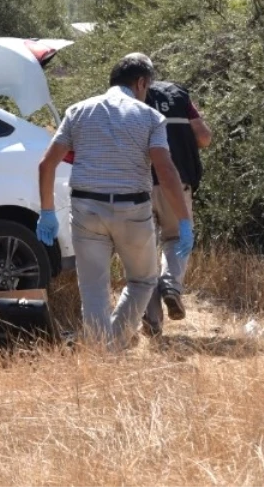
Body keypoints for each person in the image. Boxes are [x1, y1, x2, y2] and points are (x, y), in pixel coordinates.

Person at [36, 53, 194, 350]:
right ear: (141, 82)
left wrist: (47, 212)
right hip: (132, 210)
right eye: (147, 88)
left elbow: (46, 165)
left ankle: (101, 351)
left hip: (85, 210)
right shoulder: (150, 117)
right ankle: (114, 345)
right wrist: (183, 220)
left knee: (93, 291)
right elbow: (166, 170)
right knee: (144, 281)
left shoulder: (78, 111)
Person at [142, 80, 213, 335]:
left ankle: (151, 318)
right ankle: (171, 286)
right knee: (175, 237)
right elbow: (204, 137)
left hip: (137, 186)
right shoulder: (180, 96)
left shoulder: (128, 99)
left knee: (144, 250)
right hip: (177, 182)